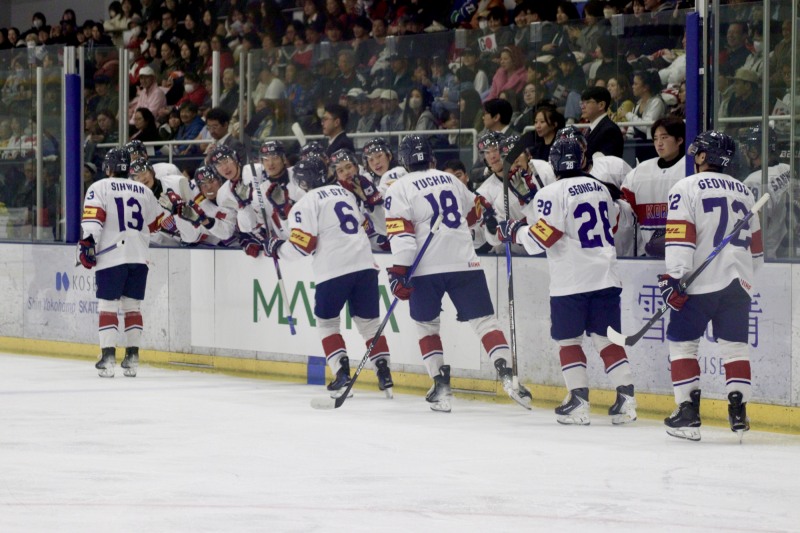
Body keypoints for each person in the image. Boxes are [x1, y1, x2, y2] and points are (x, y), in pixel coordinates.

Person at [497, 132, 637, 426]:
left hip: (571, 281)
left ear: (554, 162)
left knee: (568, 339)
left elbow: (542, 239)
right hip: (606, 277)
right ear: (583, 159)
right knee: (606, 338)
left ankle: (578, 400)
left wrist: (515, 232)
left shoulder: (552, 192)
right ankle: (626, 400)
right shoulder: (600, 188)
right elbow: (612, 224)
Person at [384, 134, 529, 412]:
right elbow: (475, 214)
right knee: (485, 322)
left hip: (425, 268)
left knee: (427, 327)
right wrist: (485, 214)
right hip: (464, 262)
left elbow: (402, 237)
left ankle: (440, 384)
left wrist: (398, 273)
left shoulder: (399, 187)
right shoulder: (449, 178)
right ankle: (506, 371)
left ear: (403, 160)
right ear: (431, 157)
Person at [659, 131, 763, 441]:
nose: (694, 156)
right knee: (735, 348)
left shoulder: (686, 186)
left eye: (698, 152)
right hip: (738, 284)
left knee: (682, 343)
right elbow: (756, 251)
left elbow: (680, 236)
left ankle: (688, 413)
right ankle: (738, 409)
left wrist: (675, 277)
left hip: (699, 284)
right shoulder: (745, 192)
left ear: (705, 156)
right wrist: (745, 278)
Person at [262, 156, 395, 398]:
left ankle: (341, 374)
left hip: (333, 270)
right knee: (369, 325)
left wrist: (277, 248)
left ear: (302, 182)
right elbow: (365, 226)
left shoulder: (305, 204)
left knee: (327, 323)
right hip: (365, 265)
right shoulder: (345, 194)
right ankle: (384, 373)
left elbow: (303, 246)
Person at [79, 148, 162, 378]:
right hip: (139, 257)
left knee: (107, 306)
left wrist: (87, 246)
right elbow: (156, 226)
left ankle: (107, 358)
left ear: (108, 168)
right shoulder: (144, 190)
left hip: (112, 257)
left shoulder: (100, 187)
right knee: (132, 307)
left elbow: (93, 222)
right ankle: (132, 358)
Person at [621, 116, 686, 257]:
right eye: (655, 139)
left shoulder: (691, 169)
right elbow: (625, 211)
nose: (659, 143)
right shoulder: (639, 172)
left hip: (684, 253)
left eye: (664, 137)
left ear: (680, 140)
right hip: (647, 255)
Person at [740, 125, 790, 258]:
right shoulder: (786, 168)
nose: (745, 153)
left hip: (767, 255)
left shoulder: (755, 181)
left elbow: (757, 226)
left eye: (748, 149)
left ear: (754, 151)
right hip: (784, 245)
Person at [128, 157, 200, 246]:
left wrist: (177, 211)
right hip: (172, 247)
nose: (142, 178)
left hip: (201, 237)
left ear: (152, 171)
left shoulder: (177, 183)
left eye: (144, 172)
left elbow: (193, 232)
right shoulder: (138, 204)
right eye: (137, 176)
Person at [580, 87, 624, 159]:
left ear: (601, 105)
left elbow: (605, 163)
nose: (582, 106)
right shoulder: (591, 129)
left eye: (587, 102)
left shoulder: (610, 130)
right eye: (582, 103)